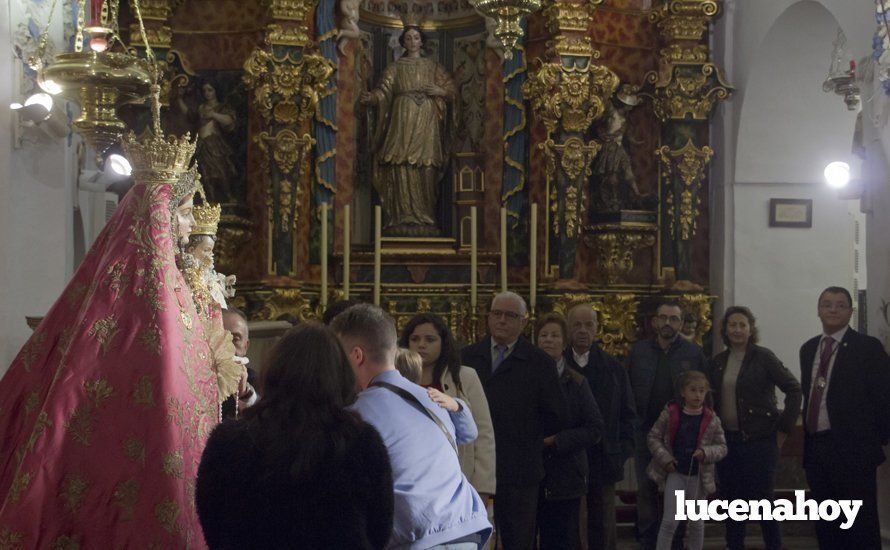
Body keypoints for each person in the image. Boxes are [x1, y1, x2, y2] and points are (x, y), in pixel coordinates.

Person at [0, 158, 241, 545]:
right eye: (181, 214)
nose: (189, 225)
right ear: (158, 217)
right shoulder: (139, 296)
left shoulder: (178, 290)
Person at [195, 323, 394, 548]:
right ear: (341, 376)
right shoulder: (361, 441)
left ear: (273, 371)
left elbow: (210, 518)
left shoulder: (228, 441)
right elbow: (380, 530)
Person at [332, 304, 492, 549]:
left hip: (421, 539)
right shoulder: (433, 398)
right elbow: (468, 434)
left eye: (338, 357)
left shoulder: (357, 414)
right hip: (467, 531)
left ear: (356, 356)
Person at [461, 291, 567, 550]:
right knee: (471, 538)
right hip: (474, 464)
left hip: (520, 467)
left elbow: (556, 414)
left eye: (510, 315)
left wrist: (524, 433)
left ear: (523, 322)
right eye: (497, 314)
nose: (502, 320)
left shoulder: (539, 362)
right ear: (488, 318)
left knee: (518, 539)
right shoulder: (467, 357)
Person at [800, 286, 890, 548]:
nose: (833, 309)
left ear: (850, 311)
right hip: (817, 450)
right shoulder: (808, 349)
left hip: (854, 453)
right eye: (827, 304)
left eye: (840, 305)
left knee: (860, 526)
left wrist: (876, 441)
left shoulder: (867, 348)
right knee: (827, 526)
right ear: (818, 310)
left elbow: (884, 396)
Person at [710, 306, 801, 550]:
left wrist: (784, 428)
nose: (737, 329)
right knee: (732, 503)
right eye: (732, 325)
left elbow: (794, 389)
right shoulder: (718, 362)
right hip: (728, 442)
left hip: (760, 441)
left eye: (742, 324)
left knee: (764, 503)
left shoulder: (764, 357)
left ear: (751, 329)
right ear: (725, 330)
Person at [360, 25, 456, 237]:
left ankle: (425, 216)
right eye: (409, 38)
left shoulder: (433, 67)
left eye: (416, 38)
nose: (413, 41)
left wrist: (440, 91)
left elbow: (451, 90)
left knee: (426, 165)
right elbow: (383, 90)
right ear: (403, 42)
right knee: (399, 161)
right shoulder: (395, 67)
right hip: (402, 118)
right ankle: (400, 216)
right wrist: (372, 98)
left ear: (422, 42)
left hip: (427, 120)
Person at [627, 300, 708, 550]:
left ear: (681, 323)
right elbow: (627, 389)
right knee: (646, 488)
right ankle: (648, 540)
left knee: (679, 492)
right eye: (663, 318)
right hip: (645, 431)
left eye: (673, 319)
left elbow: (704, 392)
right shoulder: (638, 351)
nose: (667, 323)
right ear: (654, 321)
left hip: (681, 434)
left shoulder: (693, 353)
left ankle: (676, 542)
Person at [400, 314, 496, 502]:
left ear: (443, 343)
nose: (421, 345)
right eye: (415, 339)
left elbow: (484, 434)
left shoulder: (465, 376)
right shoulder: (397, 378)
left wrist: (483, 487)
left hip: (455, 478)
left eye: (430, 339)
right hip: (409, 478)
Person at [564, 304, 636, 550]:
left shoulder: (613, 368)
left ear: (597, 329)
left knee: (602, 524)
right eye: (577, 325)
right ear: (568, 328)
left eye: (589, 325)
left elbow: (628, 415)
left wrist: (621, 450)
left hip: (604, 458)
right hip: (566, 457)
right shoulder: (555, 365)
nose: (583, 330)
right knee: (568, 523)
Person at [535, 313, 604, 550]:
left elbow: (595, 427)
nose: (548, 340)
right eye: (543, 335)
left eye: (555, 336)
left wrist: (558, 440)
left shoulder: (576, 381)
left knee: (562, 540)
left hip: (565, 474)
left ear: (564, 343)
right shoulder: (524, 378)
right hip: (531, 472)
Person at [647, 371, 727, 550]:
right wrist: (665, 459)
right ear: (683, 392)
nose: (697, 395)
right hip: (676, 473)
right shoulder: (670, 413)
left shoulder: (711, 419)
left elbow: (722, 447)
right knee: (670, 521)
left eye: (701, 391)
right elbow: (653, 437)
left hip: (699, 477)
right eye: (693, 390)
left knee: (697, 522)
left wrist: (706, 452)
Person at [221, 307, 259, 418]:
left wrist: (244, 393)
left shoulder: (258, 382)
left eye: (235, 339)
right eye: (220, 338)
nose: (227, 346)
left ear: (246, 346)